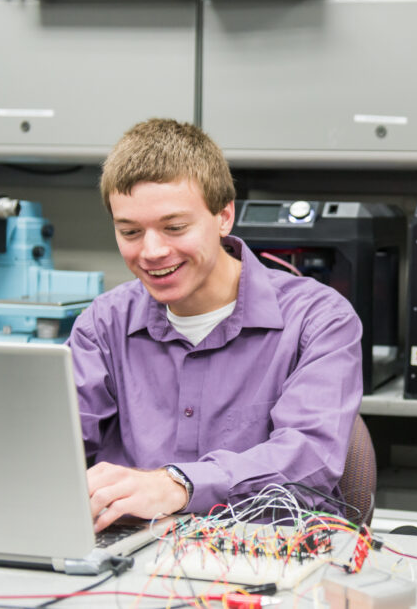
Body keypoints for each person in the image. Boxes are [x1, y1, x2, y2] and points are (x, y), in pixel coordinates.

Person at [70, 118, 363, 533]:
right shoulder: (102, 325)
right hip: (129, 558)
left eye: (175, 227)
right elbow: (52, 447)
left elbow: (309, 463)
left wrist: (177, 486)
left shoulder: (319, 320)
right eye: (130, 231)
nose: (151, 251)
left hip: (265, 558)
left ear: (224, 216)